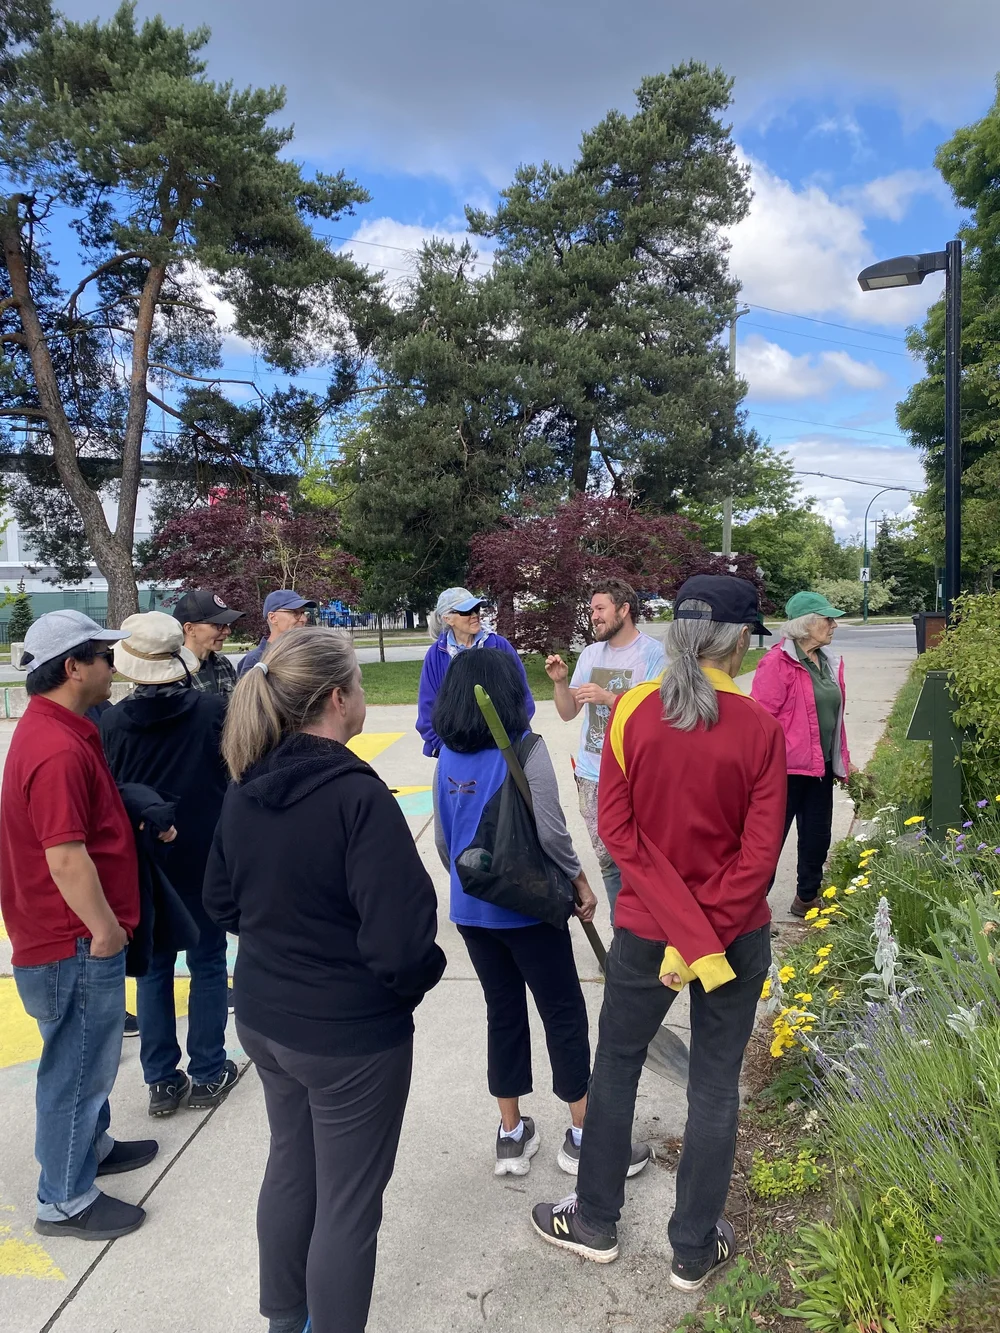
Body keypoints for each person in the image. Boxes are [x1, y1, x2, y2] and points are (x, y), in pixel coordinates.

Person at [531, 575, 786, 1292]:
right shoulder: (760, 727)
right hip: (731, 938)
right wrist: (700, 940)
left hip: (648, 931)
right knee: (713, 1084)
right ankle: (693, 1248)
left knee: (616, 1064)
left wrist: (678, 932)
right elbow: (758, 862)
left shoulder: (634, 713)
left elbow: (617, 832)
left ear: (677, 635)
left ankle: (596, 1223)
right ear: (739, 641)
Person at [204, 627, 445, 1333]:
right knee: (347, 1202)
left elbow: (221, 901)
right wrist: (412, 979)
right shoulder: (356, 798)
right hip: (347, 1038)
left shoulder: (248, 784)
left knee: (292, 1164)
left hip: (266, 1018)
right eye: (362, 688)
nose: (365, 698)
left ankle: (286, 1319)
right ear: (339, 698)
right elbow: (402, 945)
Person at [433, 648, 651, 1180]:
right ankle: (584, 1134)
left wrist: (471, 887)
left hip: (471, 911)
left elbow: (444, 841)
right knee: (562, 1011)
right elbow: (552, 832)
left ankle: (511, 1133)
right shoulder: (525, 751)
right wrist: (579, 882)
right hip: (528, 910)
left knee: (502, 1011)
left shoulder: (446, 757)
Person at [0, 611, 159, 1241]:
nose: (112, 666)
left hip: (63, 933)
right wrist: (105, 929)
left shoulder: (56, 729)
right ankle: (62, 1199)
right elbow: (64, 857)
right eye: (103, 655)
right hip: (71, 939)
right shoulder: (57, 747)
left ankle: (90, 1146)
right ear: (74, 667)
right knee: (77, 1066)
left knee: (83, 1057)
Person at [100, 612, 238, 1117]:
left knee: (154, 968)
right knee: (206, 962)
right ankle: (207, 1070)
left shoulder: (112, 723)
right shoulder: (211, 711)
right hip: (205, 854)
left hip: (145, 860)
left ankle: (160, 1079)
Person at [545, 580, 665, 918]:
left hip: (636, 775)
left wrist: (611, 699)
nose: (593, 615)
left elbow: (657, 715)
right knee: (608, 861)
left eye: (600, 609)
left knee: (642, 860)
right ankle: (624, 938)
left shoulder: (652, 654)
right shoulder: (590, 654)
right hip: (593, 774)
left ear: (624, 609)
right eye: (592, 609)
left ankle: (650, 935)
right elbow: (568, 713)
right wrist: (559, 683)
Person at [751, 591, 852, 918]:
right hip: (782, 772)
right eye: (827, 619)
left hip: (819, 768)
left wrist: (842, 757)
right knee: (768, 843)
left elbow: (833, 718)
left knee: (817, 838)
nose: (834, 625)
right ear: (805, 626)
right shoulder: (776, 664)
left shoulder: (827, 661)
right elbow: (760, 722)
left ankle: (806, 897)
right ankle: (750, 910)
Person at [416, 586, 534, 758]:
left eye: (476, 609)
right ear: (448, 619)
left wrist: (508, 744)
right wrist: (446, 750)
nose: (475, 615)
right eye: (466, 611)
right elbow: (427, 710)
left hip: (502, 751)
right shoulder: (435, 655)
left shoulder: (499, 646)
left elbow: (523, 698)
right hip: (454, 752)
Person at [172, 588, 244, 697]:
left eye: (227, 624)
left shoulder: (223, 663)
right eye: (218, 625)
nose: (227, 631)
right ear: (190, 629)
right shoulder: (173, 672)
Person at [237, 589, 317, 677]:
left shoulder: (306, 653)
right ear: (273, 618)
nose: (304, 619)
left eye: (303, 613)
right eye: (295, 613)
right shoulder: (255, 661)